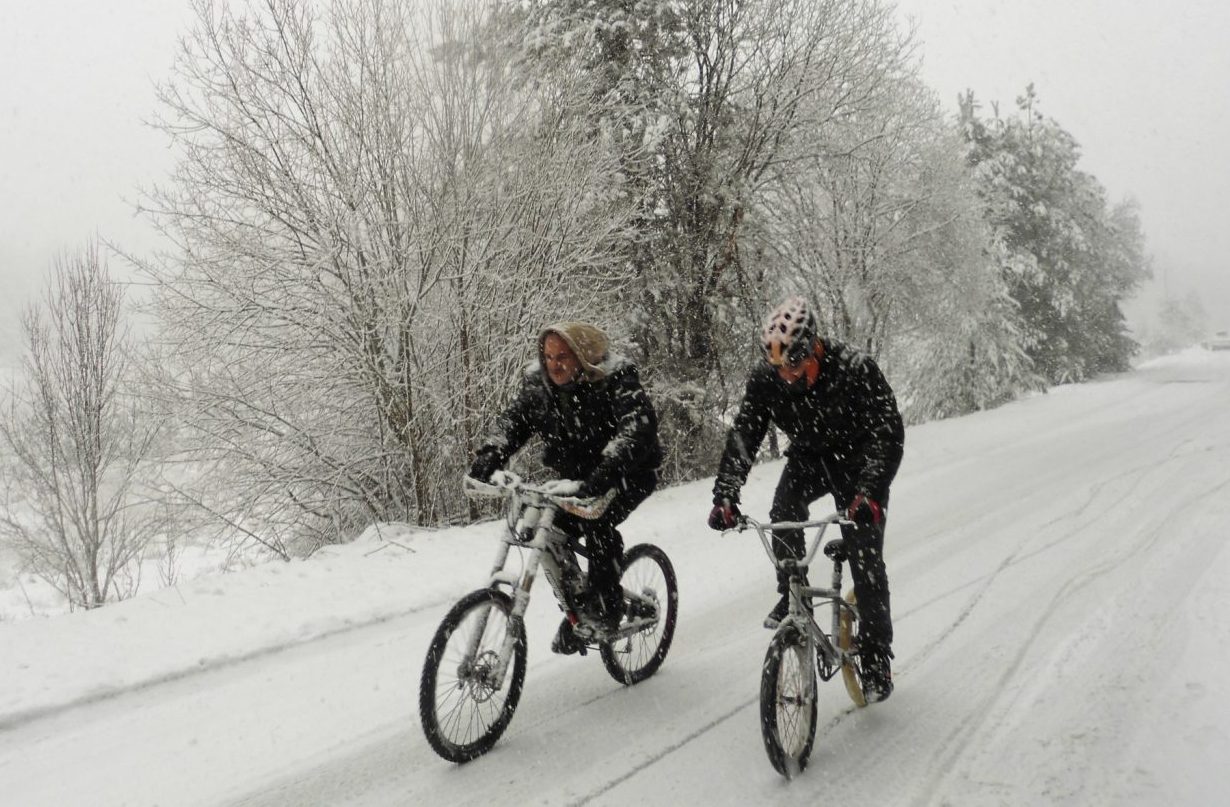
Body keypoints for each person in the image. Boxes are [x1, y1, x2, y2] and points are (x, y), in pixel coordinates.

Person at [708, 297, 905, 702]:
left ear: (813, 346)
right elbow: (745, 435)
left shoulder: (855, 369)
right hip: (811, 459)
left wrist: (868, 493)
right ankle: (792, 593)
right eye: (779, 366)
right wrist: (726, 493)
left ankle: (876, 657)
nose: (786, 375)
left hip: (860, 464)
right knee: (783, 511)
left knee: (865, 558)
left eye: (794, 364)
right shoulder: (767, 380)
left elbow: (888, 432)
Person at [468, 321, 663, 654]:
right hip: (573, 478)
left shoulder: (616, 380)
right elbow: (512, 423)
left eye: (563, 357)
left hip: (627, 472)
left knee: (597, 523)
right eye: (548, 356)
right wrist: (489, 458)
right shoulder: (540, 387)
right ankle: (579, 602)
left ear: (583, 357)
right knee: (544, 528)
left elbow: (635, 433)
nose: (553, 365)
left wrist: (599, 479)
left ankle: (603, 610)